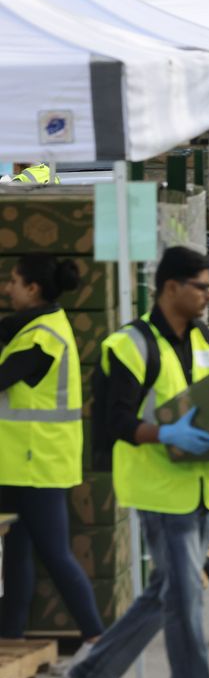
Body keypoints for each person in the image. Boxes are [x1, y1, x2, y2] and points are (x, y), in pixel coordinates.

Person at [62, 247, 209, 678]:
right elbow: (115, 421)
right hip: (157, 489)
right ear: (171, 288)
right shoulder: (129, 346)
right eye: (202, 287)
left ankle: (86, 677)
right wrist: (167, 435)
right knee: (185, 600)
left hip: (200, 487)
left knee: (166, 592)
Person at [0, 256, 103, 656]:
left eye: (13, 281)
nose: (8, 288)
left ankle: (96, 636)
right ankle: (10, 634)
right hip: (25, 460)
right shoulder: (40, 326)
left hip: (37, 461)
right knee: (18, 549)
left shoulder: (42, 338)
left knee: (54, 553)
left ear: (33, 289)